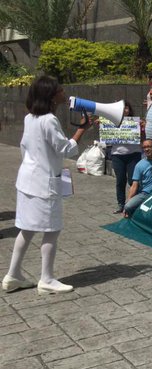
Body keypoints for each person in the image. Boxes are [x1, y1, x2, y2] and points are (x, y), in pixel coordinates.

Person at [2, 76, 90, 294]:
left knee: (27, 229)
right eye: (60, 90)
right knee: (52, 230)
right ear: (51, 96)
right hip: (44, 184)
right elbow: (64, 150)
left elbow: (25, 147)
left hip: (27, 180)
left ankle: (13, 275)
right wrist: (82, 129)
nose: (63, 92)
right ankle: (47, 279)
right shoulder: (49, 120)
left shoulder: (29, 118)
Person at [111, 101, 142, 214]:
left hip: (133, 154)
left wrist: (142, 128)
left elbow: (142, 137)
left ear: (130, 109)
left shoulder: (135, 122)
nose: (124, 111)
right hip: (117, 155)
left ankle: (135, 203)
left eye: (126, 108)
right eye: (121, 108)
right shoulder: (111, 121)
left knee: (133, 180)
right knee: (120, 180)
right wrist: (102, 125)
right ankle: (121, 204)